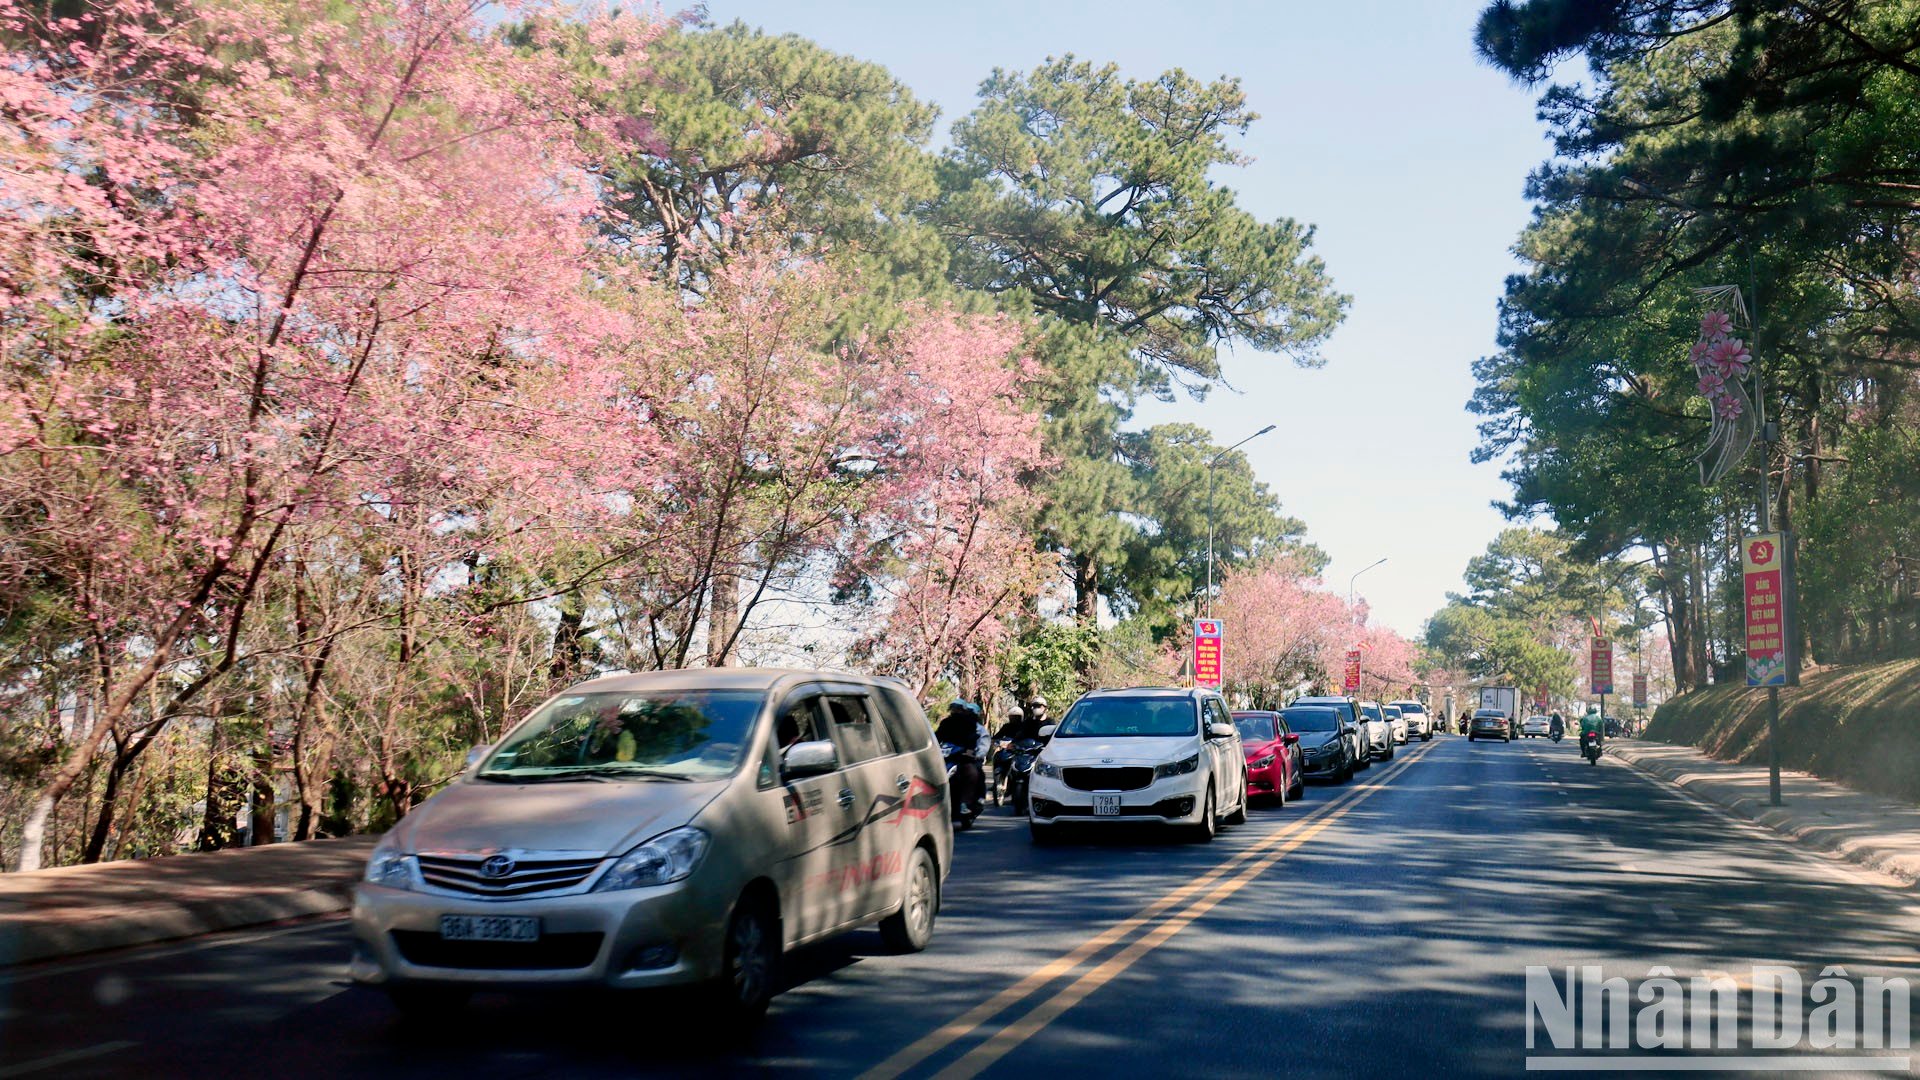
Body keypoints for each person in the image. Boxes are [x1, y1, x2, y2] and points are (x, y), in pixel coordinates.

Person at [936, 701, 987, 813]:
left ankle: (965, 802)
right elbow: (937, 737)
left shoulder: (970, 724)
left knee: (971, 772)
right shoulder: (946, 722)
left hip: (963, 757)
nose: (955, 711)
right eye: (953, 708)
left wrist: (970, 750)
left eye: (958, 708)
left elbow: (974, 738)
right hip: (947, 757)